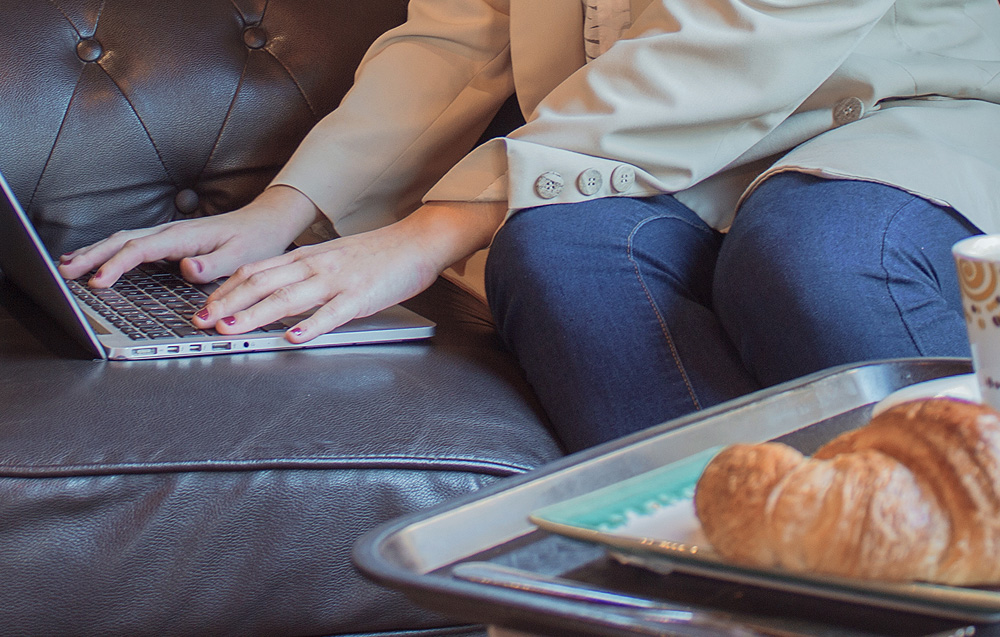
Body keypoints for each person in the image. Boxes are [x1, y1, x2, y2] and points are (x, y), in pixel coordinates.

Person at [58, 0, 1000, 451]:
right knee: (553, 252)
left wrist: (427, 233)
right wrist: (285, 209)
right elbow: (457, 35)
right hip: (657, 142)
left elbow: (738, 34)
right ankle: (733, 593)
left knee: (818, 256)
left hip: (909, 112)